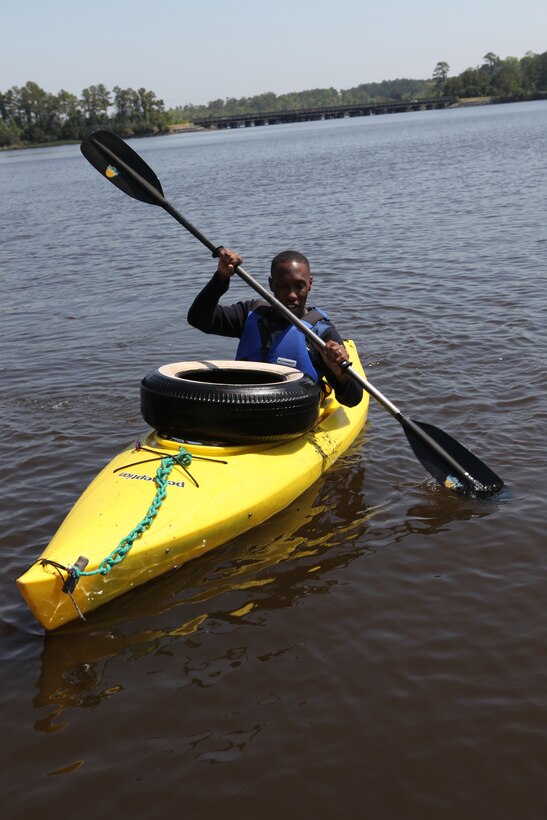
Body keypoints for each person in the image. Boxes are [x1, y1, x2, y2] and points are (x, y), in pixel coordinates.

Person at [187, 247, 363, 407]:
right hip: (245, 404)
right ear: (271, 285)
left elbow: (353, 400)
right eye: (283, 286)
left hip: (294, 414)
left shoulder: (322, 333)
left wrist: (340, 374)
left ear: (310, 284)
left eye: (299, 286)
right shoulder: (251, 314)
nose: (292, 295)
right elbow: (198, 318)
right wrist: (221, 277)